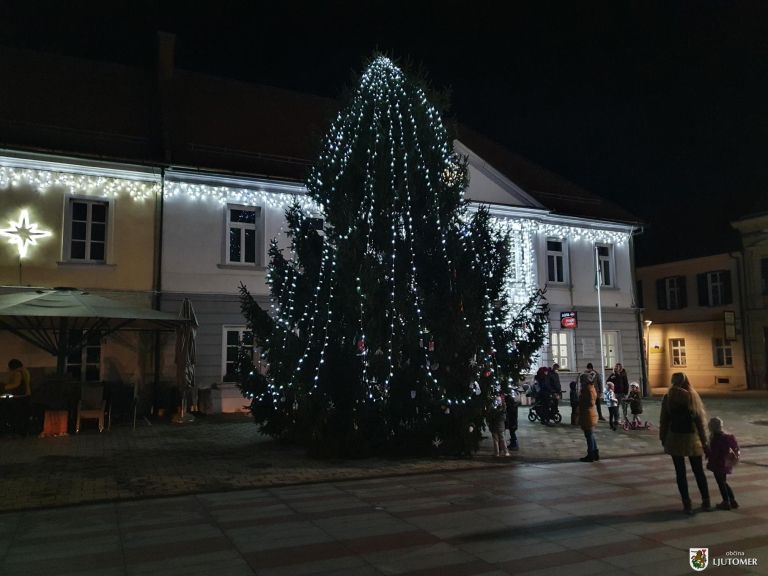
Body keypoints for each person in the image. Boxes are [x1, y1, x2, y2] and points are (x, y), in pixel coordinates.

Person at [659, 372, 711, 514]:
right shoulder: (692, 396)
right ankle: (706, 500)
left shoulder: (668, 397)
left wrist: (662, 437)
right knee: (698, 471)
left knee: (680, 472)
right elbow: (700, 422)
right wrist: (705, 442)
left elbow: (664, 420)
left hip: (674, 437)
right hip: (692, 439)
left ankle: (686, 503)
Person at [706, 417, 740, 510]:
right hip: (726, 463)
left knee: (721, 483)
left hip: (718, 464)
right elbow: (735, 448)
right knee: (724, 482)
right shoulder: (728, 437)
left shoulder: (716, 438)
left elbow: (714, 453)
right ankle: (732, 500)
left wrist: (708, 456)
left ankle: (726, 501)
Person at [577, 372, 599, 462]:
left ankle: (591, 455)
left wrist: (581, 402)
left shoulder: (587, 389)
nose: (580, 382)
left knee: (589, 435)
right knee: (591, 434)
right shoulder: (591, 387)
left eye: (581, 380)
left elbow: (591, 402)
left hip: (588, 414)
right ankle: (595, 453)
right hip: (590, 414)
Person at [487, 391, 509, 457]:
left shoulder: (492, 410)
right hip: (501, 427)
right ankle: (506, 452)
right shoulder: (502, 411)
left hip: (494, 427)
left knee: (495, 441)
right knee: (502, 440)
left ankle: (497, 453)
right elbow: (504, 418)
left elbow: (489, 418)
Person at [505, 383, 520, 451]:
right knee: (512, 432)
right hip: (513, 420)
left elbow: (511, 412)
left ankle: (514, 444)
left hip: (512, 420)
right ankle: (513, 444)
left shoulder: (511, 405)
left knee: (512, 432)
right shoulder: (513, 403)